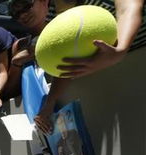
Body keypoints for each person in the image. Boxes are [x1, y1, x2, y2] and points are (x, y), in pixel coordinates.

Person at [10, 0, 145, 133]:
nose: (22, 15)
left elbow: (127, 8)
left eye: (25, 6)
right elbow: (69, 61)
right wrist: (49, 103)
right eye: (16, 12)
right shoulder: (50, 14)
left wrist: (120, 50)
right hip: (123, 80)